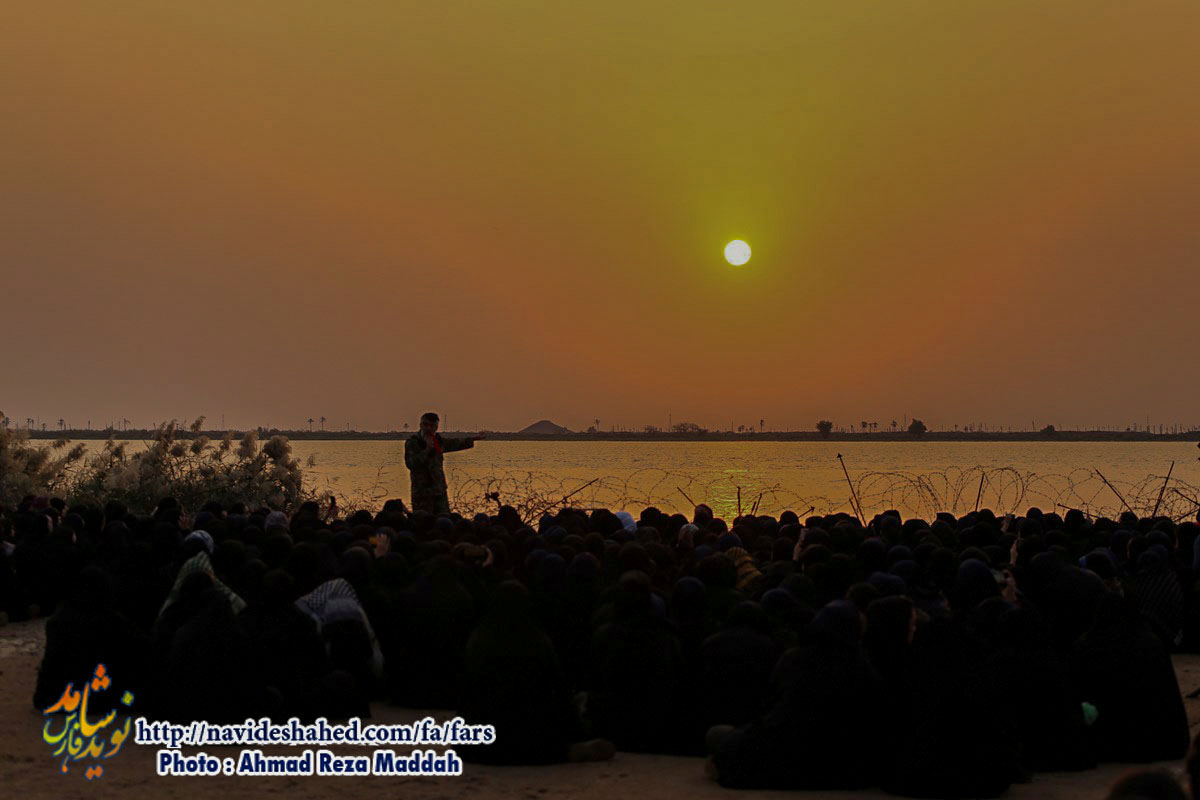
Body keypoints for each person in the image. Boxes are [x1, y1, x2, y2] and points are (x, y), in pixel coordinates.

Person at [404, 412, 483, 516]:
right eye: (425, 425)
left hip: (439, 491)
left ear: (436, 427)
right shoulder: (413, 442)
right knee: (422, 521)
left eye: (432, 426)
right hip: (422, 493)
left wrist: (472, 439)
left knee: (444, 519)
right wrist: (427, 450)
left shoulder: (438, 441)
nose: (428, 428)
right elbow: (411, 464)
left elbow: (454, 443)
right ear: (421, 425)